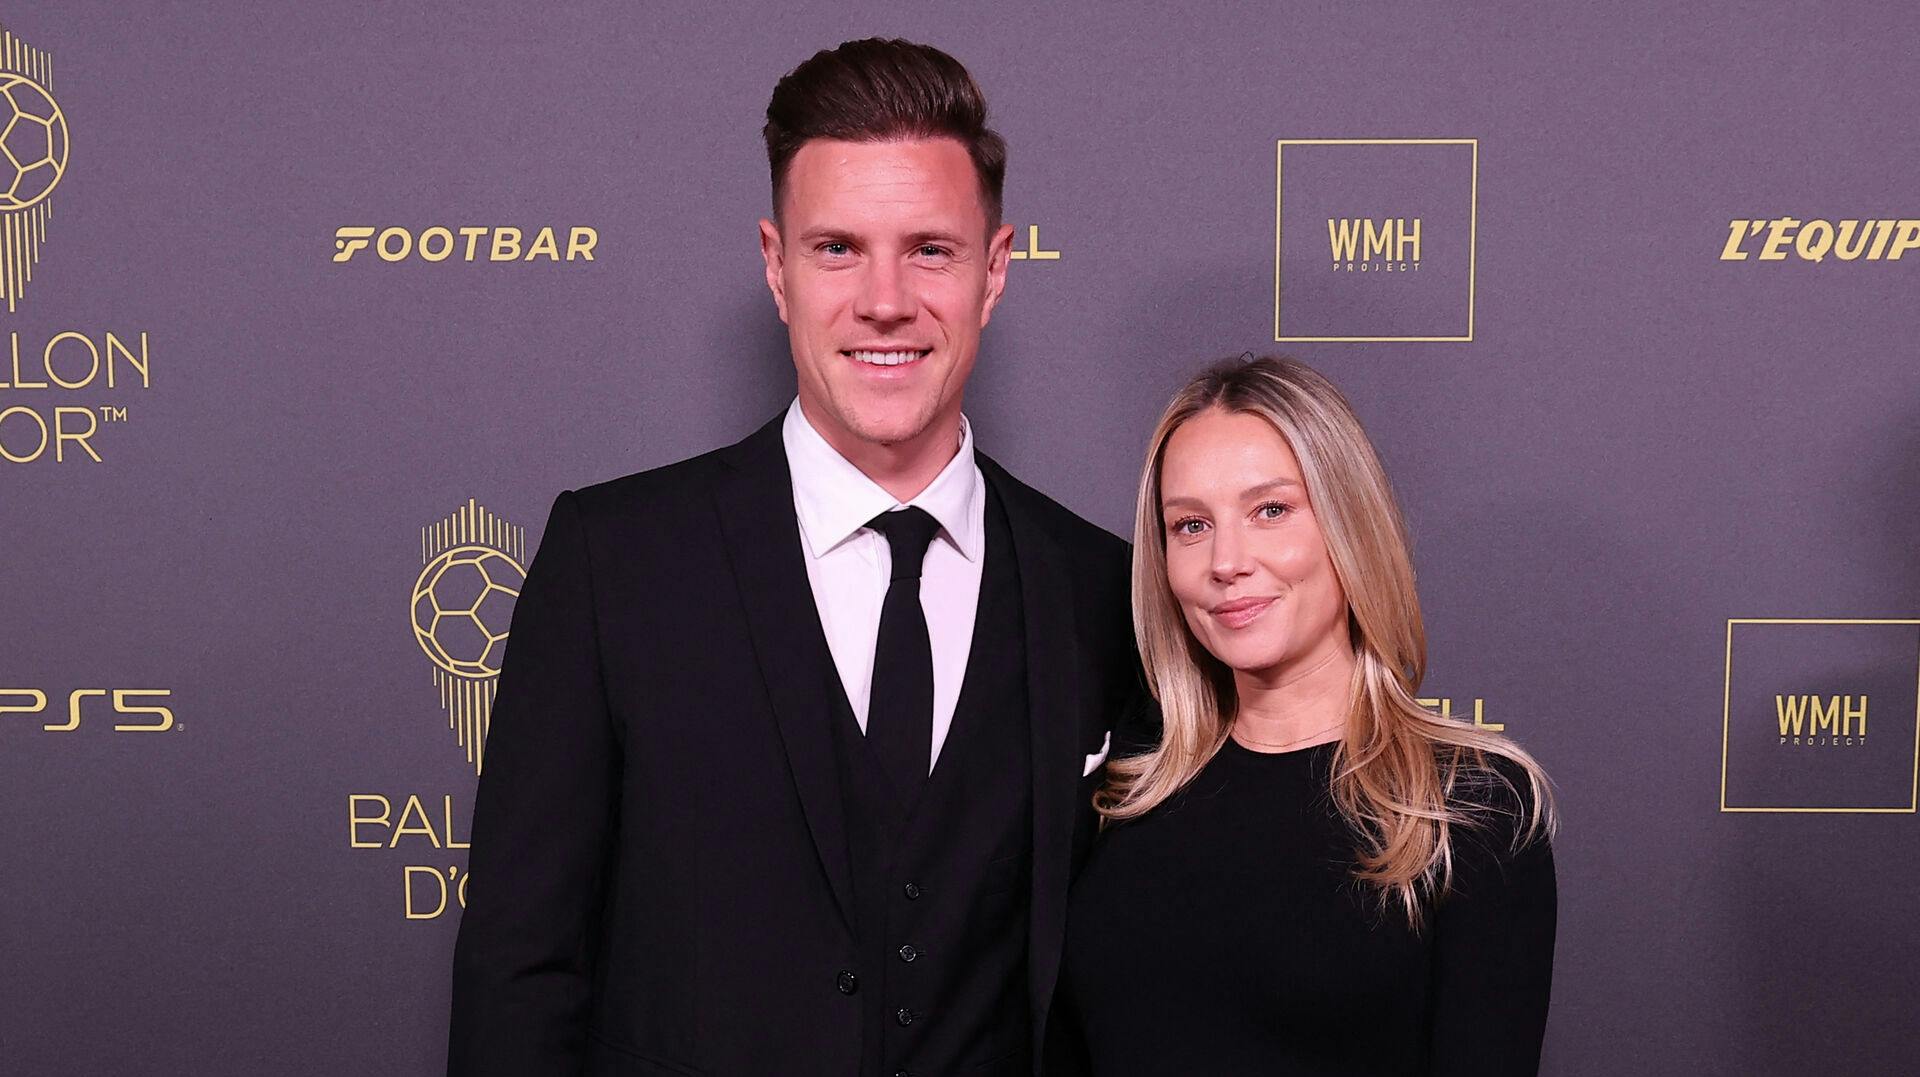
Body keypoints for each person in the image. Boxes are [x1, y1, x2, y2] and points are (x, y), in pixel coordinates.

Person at [447, 39, 1141, 1077]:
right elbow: (521, 976)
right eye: (837, 249)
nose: (885, 300)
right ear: (776, 266)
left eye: (931, 250)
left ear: (996, 270)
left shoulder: (1099, 589)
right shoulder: (615, 566)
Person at [1053, 355, 1558, 1076]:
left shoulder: (1468, 811)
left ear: (1349, 523)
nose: (1227, 560)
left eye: (1271, 510)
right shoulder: (1119, 795)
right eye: (1191, 524)